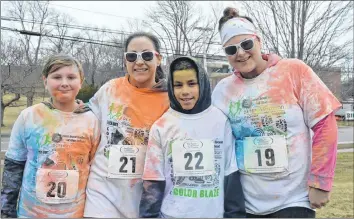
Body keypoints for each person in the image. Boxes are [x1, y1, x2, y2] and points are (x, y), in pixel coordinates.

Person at [212, 7, 342, 218]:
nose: (241, 53)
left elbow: (324, 123)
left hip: (293, 200)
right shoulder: (223, 90)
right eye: (231, 50)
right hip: (246, 204)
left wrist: (320, 181)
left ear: (259, 41)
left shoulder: (292, 70)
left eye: (246, 44)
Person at [139, 56, 246, 218]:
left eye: (191, 84)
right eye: (178, 85)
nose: (185, 91)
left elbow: (230, 175)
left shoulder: (220, 121)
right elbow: (153, 184)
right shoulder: (162, 126)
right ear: (171, 87)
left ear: (201, 83)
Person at [1, 54, 101, 218]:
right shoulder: (29, 116)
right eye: (56, 77)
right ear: (45, 80)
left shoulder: (92, 120)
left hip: (75, 213)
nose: (64, 83)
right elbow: (13, 167)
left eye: (71, 77)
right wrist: (6, 211)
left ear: (81, 81)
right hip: (31, 213)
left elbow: (95, 170)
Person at [83, 32, 170, 218]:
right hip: (102, 193)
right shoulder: (110, 89)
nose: (139, 62)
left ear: (159, 59)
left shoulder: (170, 99)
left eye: (146, 55)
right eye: (132, 56)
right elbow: (85, 121)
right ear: (125, 61)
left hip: (144, 197)